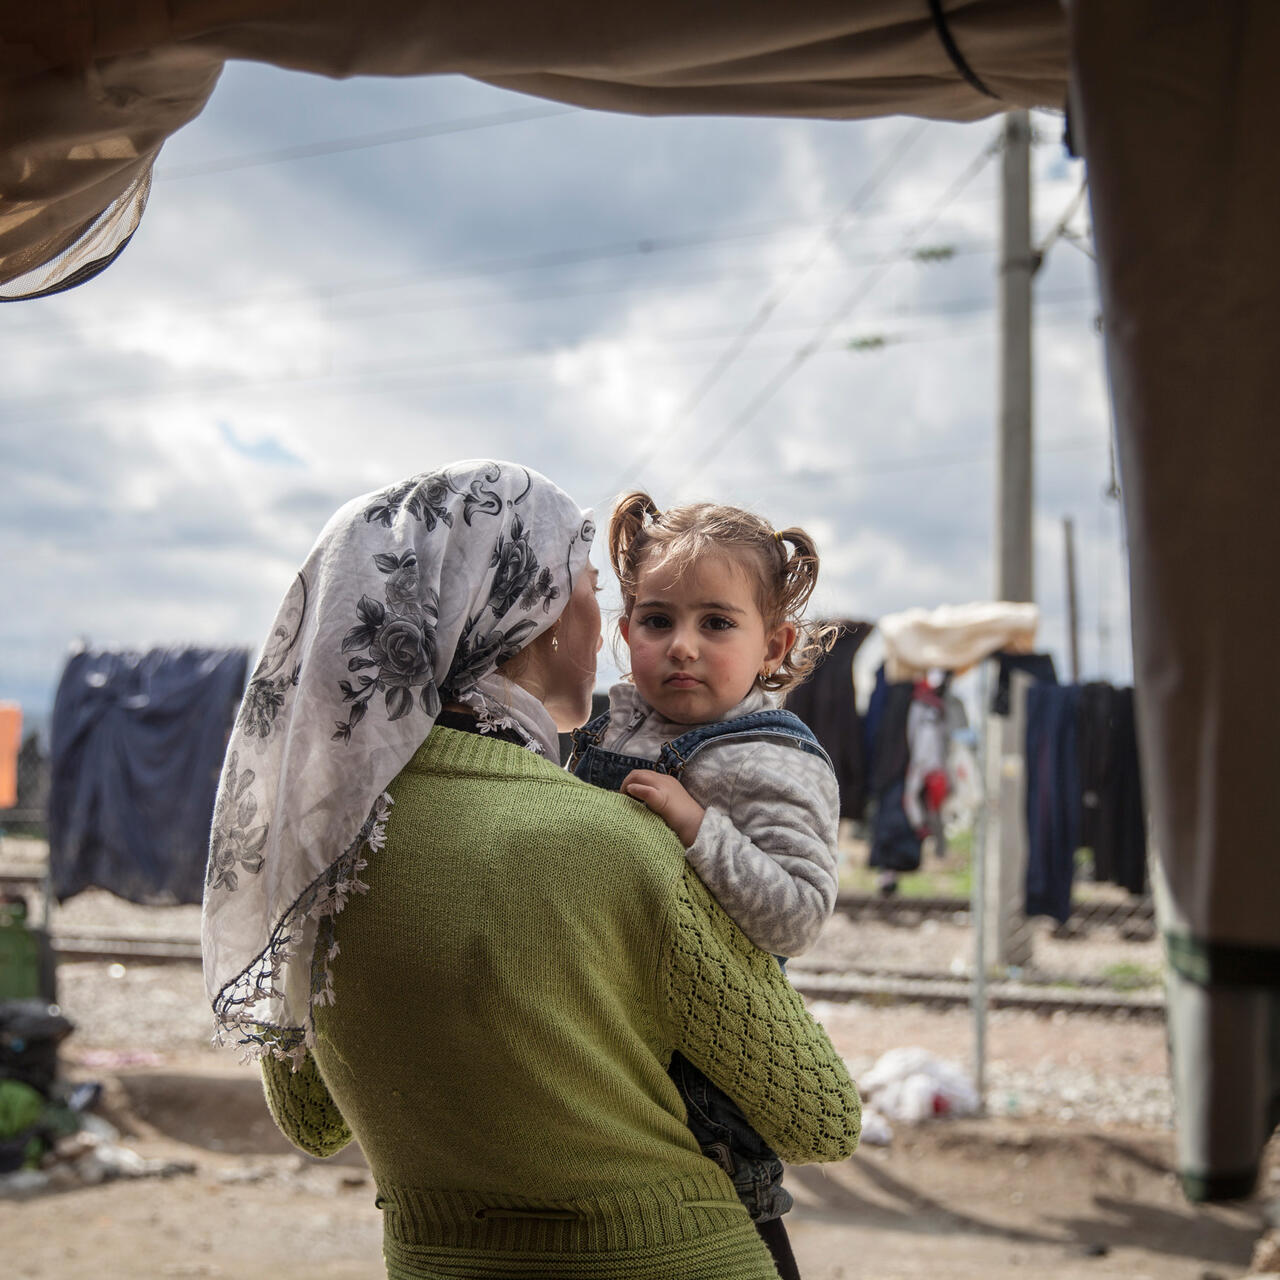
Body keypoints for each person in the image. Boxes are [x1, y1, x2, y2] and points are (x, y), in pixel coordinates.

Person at [201, 460, 860, 1280]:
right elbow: (825, 1122)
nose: (646, 637)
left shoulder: (321, 851)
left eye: (716, 623)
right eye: (589, 586)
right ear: (531, 615)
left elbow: (311, 1120)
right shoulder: (617, 843)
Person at [568, 491, 841, 1279]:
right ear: (624, 635)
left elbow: (794, 916)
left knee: (729, 1229)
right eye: (657, 621)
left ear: (773, 644)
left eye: (716, 623)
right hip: (615, 1035)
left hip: (706, 1072)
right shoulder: (604, 724)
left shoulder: (768, 756)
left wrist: (699, 827)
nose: (682, 645)